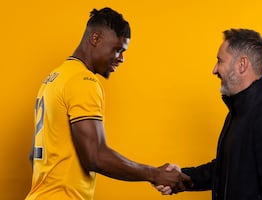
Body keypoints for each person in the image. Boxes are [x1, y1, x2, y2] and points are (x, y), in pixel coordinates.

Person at [25, 7, 191, 200]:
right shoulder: (82, 81)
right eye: (117, 49)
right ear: (95, 39)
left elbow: (33, 156)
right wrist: (154, 174)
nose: (121, 58)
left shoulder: (55, 78)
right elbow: (95, 157)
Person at [156, 28, 262, 199]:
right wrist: (182, 177)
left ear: (242, 64)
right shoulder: (241, 109)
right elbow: (229, 168)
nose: (214, 70)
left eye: (220, 61)